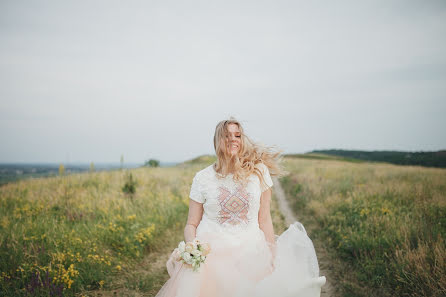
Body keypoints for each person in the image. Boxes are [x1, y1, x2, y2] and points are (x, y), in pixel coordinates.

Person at [155, 117, 326, 297]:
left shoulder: (258, 172)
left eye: (237, 135)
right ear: (217, 141)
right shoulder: (202, 178)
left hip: (251, 252)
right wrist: (193, 246)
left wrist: (271, 253)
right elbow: (191, 224)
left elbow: (265, 218)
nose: (233, 139)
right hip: (211, 258)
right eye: (227, 135)